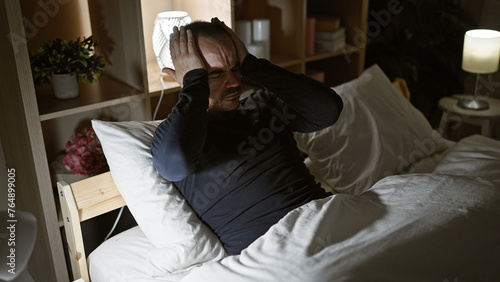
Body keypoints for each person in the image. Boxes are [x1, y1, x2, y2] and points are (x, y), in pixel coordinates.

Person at [151, 18, 343, 255]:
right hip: (278, 254)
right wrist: (193, 85)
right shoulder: (177, 139)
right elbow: (173, 163)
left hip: (331, 221)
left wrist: (252, 64)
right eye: (215, 74)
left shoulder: (264, 103)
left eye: (235, 67)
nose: (233, 82)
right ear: (184, 78)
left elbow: (328, 110)